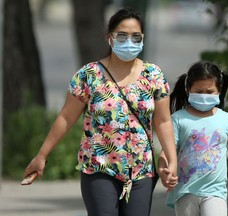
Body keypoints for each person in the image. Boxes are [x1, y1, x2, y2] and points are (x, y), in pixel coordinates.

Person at [23, 7, 177, 216]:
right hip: (99, 167)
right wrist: (42, 155)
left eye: (135, 36)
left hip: (141, 170)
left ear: (142, 39)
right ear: (109, 38)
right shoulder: (89, 75)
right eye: (121, 35)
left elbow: (163, 121)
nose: (129, 41)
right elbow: (66, 117)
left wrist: (172, 160)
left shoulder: (154, 75)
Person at [158, 61, 228, 216]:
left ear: (219, 90)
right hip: (184, 192)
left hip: (215, 192)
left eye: (209, 92)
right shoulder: (177, 119)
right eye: (199, 91)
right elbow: (166, 152)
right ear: (188, 89)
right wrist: (163, 170)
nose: (204, 95)